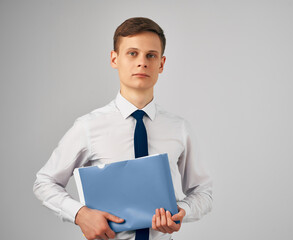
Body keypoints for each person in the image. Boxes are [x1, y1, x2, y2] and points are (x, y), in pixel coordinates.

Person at [33, 17, 213, 240]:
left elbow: (203, 192)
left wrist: (182, 212)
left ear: (162, 64)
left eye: (151, 55)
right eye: (132, 53)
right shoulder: (89, 126)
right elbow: (44, 182)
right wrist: (80, 214)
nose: (142, 62)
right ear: (114, 59)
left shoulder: (179, 129)